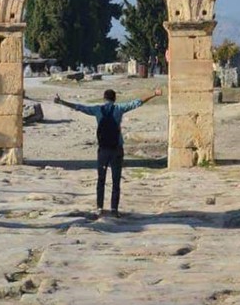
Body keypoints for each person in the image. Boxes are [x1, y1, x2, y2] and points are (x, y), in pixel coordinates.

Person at [54, 87, 163, 216]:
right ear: (114, 98)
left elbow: (80, 107)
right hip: (117, 149)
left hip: (103, 149)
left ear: (104, 98)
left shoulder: (97, 109)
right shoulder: (119, 108)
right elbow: (136, 103)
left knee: (101, 179)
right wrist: (153, 94)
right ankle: (114, 209)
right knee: (116, 181)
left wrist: (61, 102)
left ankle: (99, 207)